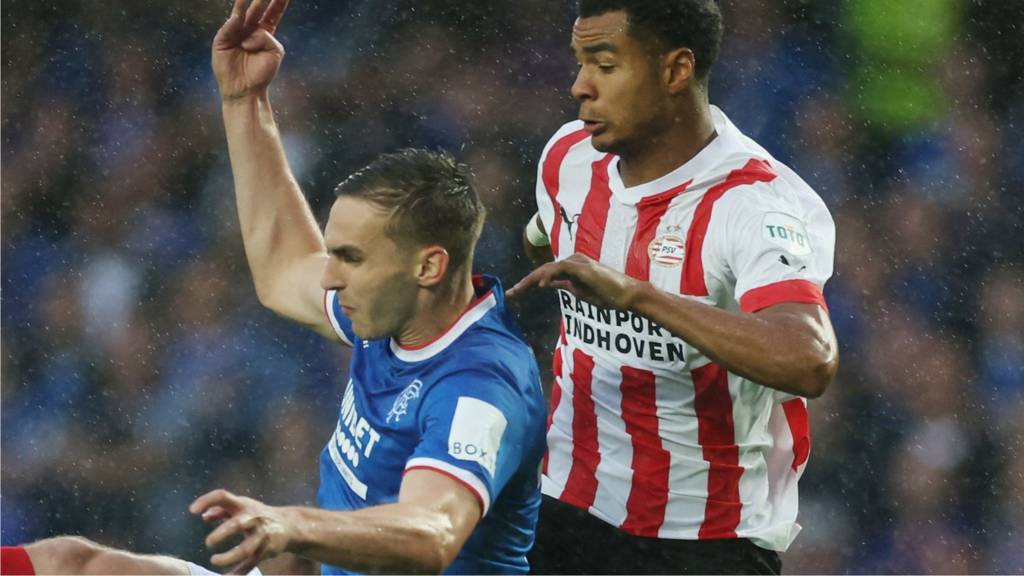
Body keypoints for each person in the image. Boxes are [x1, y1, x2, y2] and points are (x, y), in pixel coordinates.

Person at [1, 0, 547, 574]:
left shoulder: (482, 383)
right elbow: (286, 269)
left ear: (429, 267)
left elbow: (431, 532)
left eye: (350, 258)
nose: (330, 276)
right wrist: (243, 101)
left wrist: (295, 525)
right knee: (70, 564)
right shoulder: (395, 311)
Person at [507, 0, 840, 574]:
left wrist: (638, 295)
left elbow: (808, 359)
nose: (579, 86)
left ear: (675, 70)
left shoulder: (753, 202)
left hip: (705, 540)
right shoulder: (568, 156)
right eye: (580, 62)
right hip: (563, 505)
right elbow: (544, 236)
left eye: (605, 64)